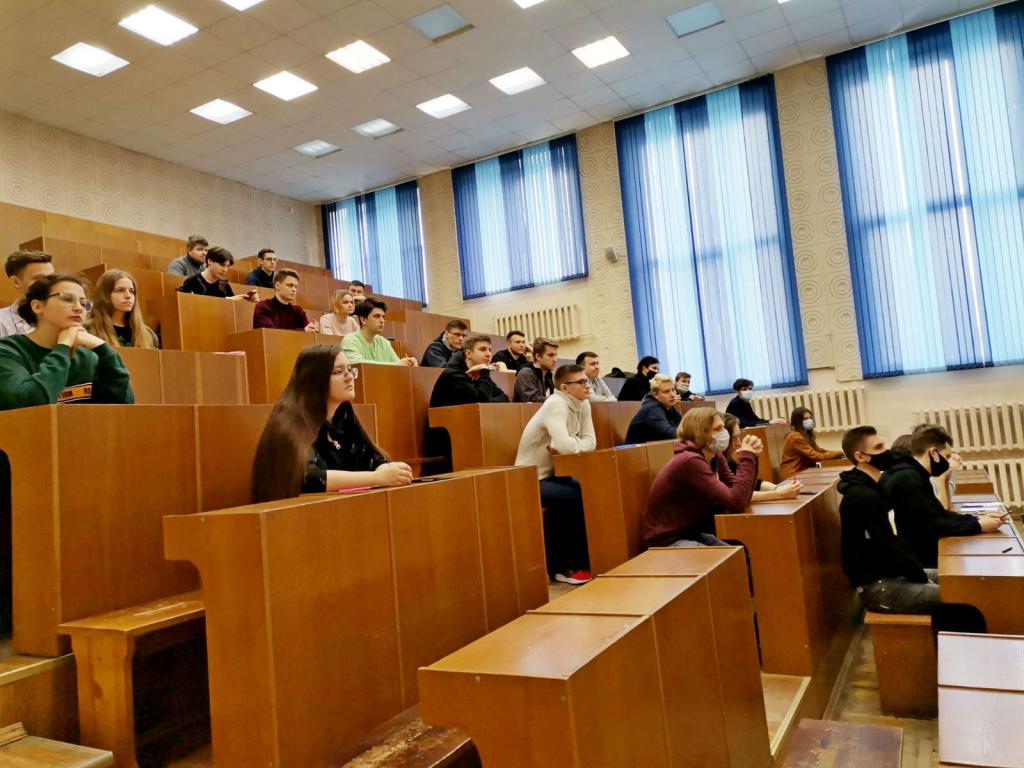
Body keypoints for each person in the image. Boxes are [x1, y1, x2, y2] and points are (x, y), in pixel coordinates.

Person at [838, 426, 986, 633]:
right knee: (962, 601)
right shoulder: (861, 497)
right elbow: (886, 548)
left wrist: (918, 573)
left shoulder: (875, 488)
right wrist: (920, 576)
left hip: (894, 573)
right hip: (880, 586)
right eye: (878, 447)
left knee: (963, 583)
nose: (886, 451)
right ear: (860, 456)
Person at [250, 345, 412, 502]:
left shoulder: (343, 414)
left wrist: (383, 468)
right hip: (296, 512)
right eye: (339, 372)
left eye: (350, 370)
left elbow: (370, 457)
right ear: (315, 379)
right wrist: (376, 478)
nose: (349, 377)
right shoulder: (289, 422)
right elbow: (311, 479)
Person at [0, 274, 134, 411]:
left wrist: (104, 349)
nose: (79, 308)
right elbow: (28, 405)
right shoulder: (8, 350)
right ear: (37, 306)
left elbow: (123, 406)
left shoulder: (87, 357)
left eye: (84, 303)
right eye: (67, 299)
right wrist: (63, 347)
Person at [514, 364, 596, 584]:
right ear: (565, 387)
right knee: (571, 495)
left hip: (554, 475)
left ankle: (583, 560)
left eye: (587, 381)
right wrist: (572, 445)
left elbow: (590, 442)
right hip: (529, 478)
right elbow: (565, 447)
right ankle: (563, 566)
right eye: (582, 382)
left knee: (582, 487)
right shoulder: (556, 403)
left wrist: (571, 443)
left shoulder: (583, 403)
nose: (587, 386)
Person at [881, 424, 1003, 568]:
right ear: (933, 452)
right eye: (947, 456)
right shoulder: (908, 478)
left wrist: (977, 519)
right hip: (919, 561)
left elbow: (940, 514)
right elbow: (932, 526)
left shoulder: (915, 474)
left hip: (923, 553)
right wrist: (978, 526)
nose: (948, 462)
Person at [642, 409, 762, 548]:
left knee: (740, 554)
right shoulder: (689, 461)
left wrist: (752, 457)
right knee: (727, 559)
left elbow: (740, 493)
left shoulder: (715, 454)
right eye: (718, 429)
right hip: (666, 540)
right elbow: (736, 502)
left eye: (723, 427)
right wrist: (747, 457)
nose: (725, 433)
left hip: (690, 533)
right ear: (701, 433)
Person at [722, 414, 803, 502]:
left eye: (739, 437)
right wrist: (779, 494)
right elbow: (740, 495)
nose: (739, 443)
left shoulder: (729, 459)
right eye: (734, 438)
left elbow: (756, 484)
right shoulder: (719, 462)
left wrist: (778, 488)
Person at [429, 334, 510, 408]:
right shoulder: (454, 374)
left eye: (490, 350)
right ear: (468, 354)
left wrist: (488, 401)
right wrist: (485, 371)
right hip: (446, 419)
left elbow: (504, 398)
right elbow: (482, 403)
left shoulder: (479, 372)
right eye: (483, 349)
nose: (488, 354)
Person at [85, 269, 159, 349]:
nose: (128, 296)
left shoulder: (148, 334)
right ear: (105, 295)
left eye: (132, 291)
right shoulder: (89, 329)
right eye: (120, 290)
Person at [340, 298, 417, 366]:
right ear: (363, 320)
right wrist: (396, 364)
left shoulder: (384, 342)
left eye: (383, 317)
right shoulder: (350, 340)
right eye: (377, 316)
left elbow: (398, 365)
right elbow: (357, 364)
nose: (382, 320)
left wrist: (408, 363)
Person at [779, 407, 844, 479]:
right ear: (798, 422)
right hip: (793, 474)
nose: (809, 421)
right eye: (805, 419)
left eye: (810, 418)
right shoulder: (796, 437)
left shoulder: (805, 434)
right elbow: (816, 456)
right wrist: (840, 453)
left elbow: (820, 451)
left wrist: (840, 453)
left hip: (804, 471)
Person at [1, 250, 54, 338]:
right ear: (16, 282)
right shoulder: (2, 322)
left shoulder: (63, 315)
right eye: (39, 279)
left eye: (51, 278)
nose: (49, 284)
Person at [177, 246, 258, 302]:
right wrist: (227, 300)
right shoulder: (192, 282)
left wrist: (245, 300)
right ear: (209, 261)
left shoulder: (224, 284)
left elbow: (230, 308)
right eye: (222, 265)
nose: (225, 270)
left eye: (227, 266)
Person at [252, 269, 318, 332]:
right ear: (277, 285)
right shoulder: (263, 307)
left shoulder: (298, 311)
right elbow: (270, 333)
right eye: (290, 285)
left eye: (295, 287)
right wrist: (304, 331)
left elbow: (307, 332)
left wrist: (311, 329)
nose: (294, 290)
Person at [624, 374, 680, 444]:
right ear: (656, 395)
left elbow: (681, 426)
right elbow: (669, 433)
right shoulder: (652, 408)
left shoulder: (667, 405)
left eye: (673, 390)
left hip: (654, 447)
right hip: (636, 450)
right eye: (666, 391)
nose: (672, 395)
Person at [514, 338, 557, 403]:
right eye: (550, 355)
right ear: (538, 356)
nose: (555, 359)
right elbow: (532, 399)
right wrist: (557, 401)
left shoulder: (549, 375)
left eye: (555, 355)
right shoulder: (526, 373)